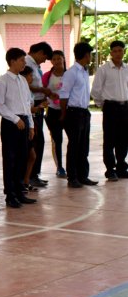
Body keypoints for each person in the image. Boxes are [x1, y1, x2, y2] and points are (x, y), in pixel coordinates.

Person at [0, 48, 36, 208]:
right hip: (11, 123)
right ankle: (10, 194)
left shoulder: (23, 80)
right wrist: (15, 118)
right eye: (21, 60)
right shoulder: (3, 81)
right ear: (12, 61)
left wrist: (30, 125)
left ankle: (20, 191)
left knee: (22, 158)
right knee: (10, 159)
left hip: (24, 121)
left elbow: (26, 104)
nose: (24, 63)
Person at [61, 42, 98, 188]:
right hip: (74, 113)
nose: (91, 57)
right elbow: (64, 95)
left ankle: (83, 176)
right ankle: (73, 177)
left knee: (84, 146)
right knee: (74, 146)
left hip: (84, 112)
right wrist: (64, 115)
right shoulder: (71, 72)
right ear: (85, 54)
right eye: (90, 54)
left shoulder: (84, 71)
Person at [91, 40, 128, 181]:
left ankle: (121, 168)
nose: (118, 53)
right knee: (110, 140)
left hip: (125, 107)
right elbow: (96, 91)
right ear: (111, 53)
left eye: (121, 50)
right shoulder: (104, 69)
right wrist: (104, 106)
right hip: (111, 108)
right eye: (115, 51)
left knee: (124, 139)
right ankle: (110, 169)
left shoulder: (126, 68)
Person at [25, 42, 54, 188]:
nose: (44, 61)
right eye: (44, 57)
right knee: (35, 142)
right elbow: (25, 83)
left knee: (39, 142)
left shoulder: (35, 65)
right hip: (31, 106)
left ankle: (35, 174)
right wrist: (42, 90)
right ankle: (29, 176)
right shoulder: (25, 63)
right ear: (40, 52)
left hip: (38, 104)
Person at [42, 50, 67, 178]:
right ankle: (60, 167)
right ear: (51, 61)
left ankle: (73, 166)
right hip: (52, 111)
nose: (57, 61)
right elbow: (43, 91)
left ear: (63, 59)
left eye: (59, 58)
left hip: (68, 111)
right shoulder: (47, 76)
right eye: (54, 59)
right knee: (57, 140)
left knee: (73, 140)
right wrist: (50, 96)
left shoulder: (69, 74)